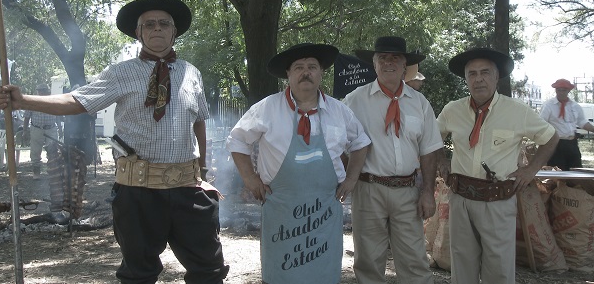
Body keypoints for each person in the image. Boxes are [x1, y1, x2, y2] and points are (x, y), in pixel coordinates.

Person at [0, 0, 229, 284]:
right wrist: (23, 101)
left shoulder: (192, 73)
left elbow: (199, 121)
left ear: (174, 32)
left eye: (164, 23)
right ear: (138, 33)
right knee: (138, 274)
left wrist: (203, 172)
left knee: (210, 270)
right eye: (149, 24)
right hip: (138, 191)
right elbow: (76, 101)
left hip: (189, 189)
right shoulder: (120, 73)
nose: (157, 29)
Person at [226, 43, 371, 284]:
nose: (306, 72)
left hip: (324, 210)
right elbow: (237, 141)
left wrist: (352, 178)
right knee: (281, 274)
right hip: (281, 208)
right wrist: (250, 179)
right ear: (288, 75)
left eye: (312, 67)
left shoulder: (339, 111)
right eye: (299, 67)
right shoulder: (266, 109)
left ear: (321, 73)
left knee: (323, 274)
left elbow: (361, 142)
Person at [437, 48, 559, 284]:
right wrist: (442, 159)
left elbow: (550, 137)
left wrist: (530, 170)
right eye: (472, 74)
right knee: (461, 265)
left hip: (498, 200)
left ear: (496, 77)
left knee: (499, 269)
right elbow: (432, 137)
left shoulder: (517, 111)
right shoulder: (453, 110)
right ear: (466, 79)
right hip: (460, 198)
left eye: (484, 72)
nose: (478, 78)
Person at [343, 36, 444, 284]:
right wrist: (349, 178)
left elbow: (429, 150)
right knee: (368, 260)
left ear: (404, 66)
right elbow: (338, 144)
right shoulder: (354, 100)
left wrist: (428, 192)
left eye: (395, 58)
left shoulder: (419, 103)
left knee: (415, 260)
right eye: (383, 58)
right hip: (368, 190)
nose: (389, 62)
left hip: (408, 191)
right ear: (375, 64)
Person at [539, 78, 594, 171]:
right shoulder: (548, 105)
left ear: (568, 91)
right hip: (556, 144)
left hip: (572, 143)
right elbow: (541, 124)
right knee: (557, 173)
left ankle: (573, 186)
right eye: (558, 90)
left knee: (576, 172)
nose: (560, 92)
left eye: (563, 90)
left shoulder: (574, 106)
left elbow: (582, 122)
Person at [22, 83, 63, 179]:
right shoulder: (32, 103)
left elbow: (58, 117)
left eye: (44, 90)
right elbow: (26, 118)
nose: (42, 92)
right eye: (40, 90)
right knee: (35, 151)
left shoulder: (54, 102)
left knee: (53, 150)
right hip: (36, 128)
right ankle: (36, 173)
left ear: (48, 91)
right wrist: (25, 130)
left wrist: (60, 129)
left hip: (51, 128)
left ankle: (53, 172)